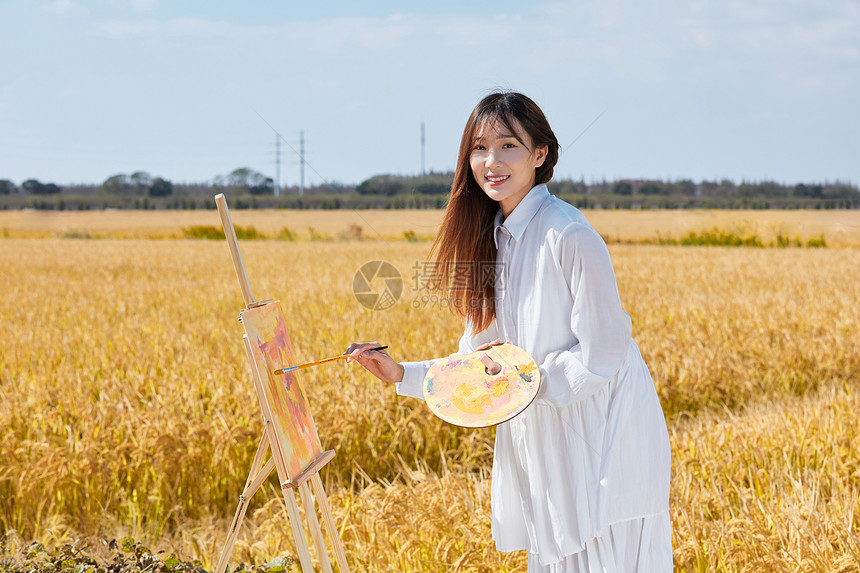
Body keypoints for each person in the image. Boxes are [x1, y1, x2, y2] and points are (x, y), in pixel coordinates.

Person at [346, 91, 672, 572]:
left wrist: (525, 378)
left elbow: (604, 353)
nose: (491, 161)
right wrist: (401, 375)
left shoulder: (570, 235)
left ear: (540, 155)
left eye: (508, 146)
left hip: (604, 436)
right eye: (479, 148)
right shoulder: (491, 241)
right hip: (545, 434)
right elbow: (484, 364)